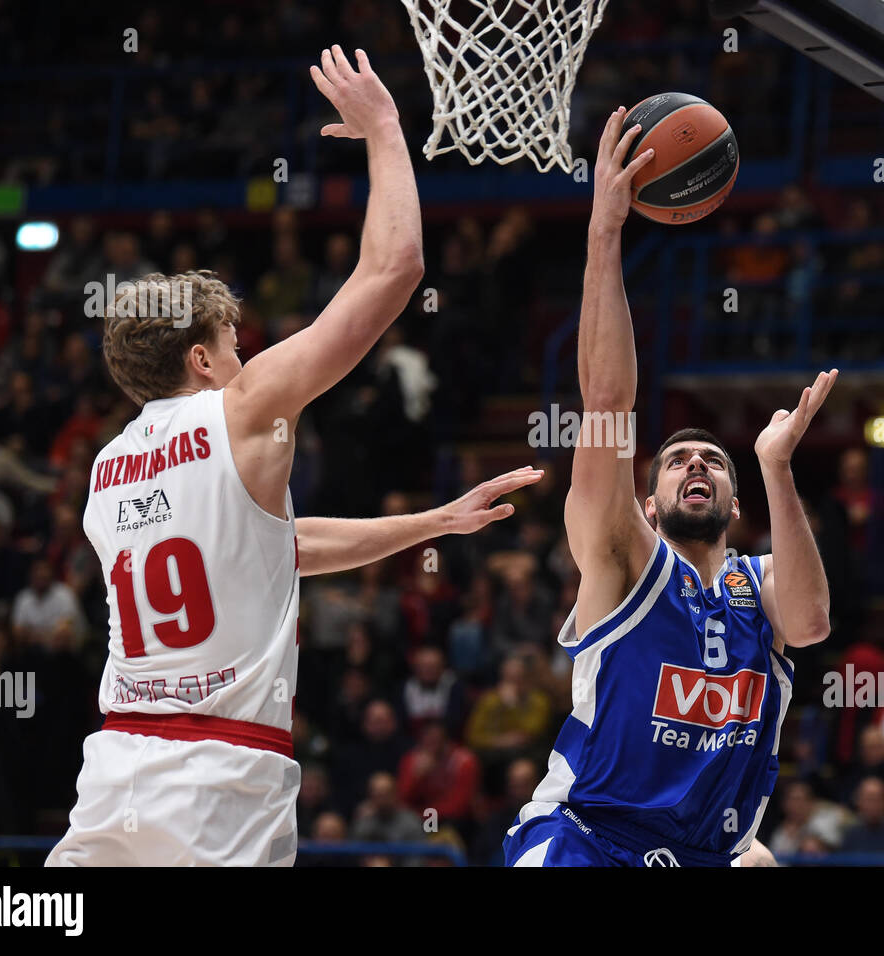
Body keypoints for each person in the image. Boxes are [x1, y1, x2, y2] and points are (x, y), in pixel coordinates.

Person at [48, 47, 540, 867]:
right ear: (202, 361)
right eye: (233, 341)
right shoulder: (237, 409)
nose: (247, 357)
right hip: (221, 777)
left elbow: (276, 549)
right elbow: (394, 271)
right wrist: (386, 129)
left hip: (115, 768)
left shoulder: (104, 471)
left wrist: (434, 522)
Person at [503, 108, 835, 867]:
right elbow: (609, 403)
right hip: (585, 841)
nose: (696, 465)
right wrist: (605, 232)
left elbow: (813, 623)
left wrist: (777, 466)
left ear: (735, 501)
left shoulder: (764, 589)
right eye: (679, 459)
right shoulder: (624, 560)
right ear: (646, 505)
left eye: (714, 462)